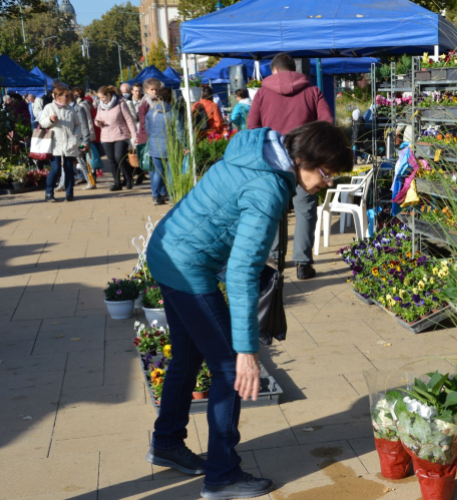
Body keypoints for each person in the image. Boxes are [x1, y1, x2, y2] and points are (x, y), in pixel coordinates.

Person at [145, 121, 352, 500]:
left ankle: (167, 442)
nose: (328, 183)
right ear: (304, 158)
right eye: (327, 172)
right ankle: (222, 475)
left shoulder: (257, 152)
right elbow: (241, 271)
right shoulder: (268, 188)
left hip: (168, 250)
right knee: (229, 370)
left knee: (188, 356)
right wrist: (246, 351)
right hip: (187, 267)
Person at [247, 52, 334, 280]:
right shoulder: (312, 90)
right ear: (294, 69)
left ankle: (276, 259)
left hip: (273, 161)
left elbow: (252, 126)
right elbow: (328, 122)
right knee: (306, 210)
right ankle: (303, 264)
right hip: (304, 159)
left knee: (275, 210)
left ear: (274, 70)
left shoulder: (262, 93)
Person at [39, 87, 87, 202]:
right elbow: (42, 123)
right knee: (55, 168)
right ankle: (49, 193)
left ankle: (69, 194)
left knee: (69, 168)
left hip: (69, 143)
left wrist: (75, 136)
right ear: (58, 96)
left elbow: (78, 124)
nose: (69, 98)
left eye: (69, 96)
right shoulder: (49, 107)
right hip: (55, 143)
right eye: (66, 96)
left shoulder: (71, 109)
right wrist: (50, 119)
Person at [95, 85, 137, 191]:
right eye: (100, 98)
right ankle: (117, 183)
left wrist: (135, 135)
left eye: (102, 97)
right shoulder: (100, 106)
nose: (101, 100)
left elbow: (129, 120)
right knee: (111, 160)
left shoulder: (121, 103)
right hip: (105, 136)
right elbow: (96, 119)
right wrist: (98, 123)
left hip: (121, 134)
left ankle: (128, 177)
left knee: (119, 157)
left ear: (108, 95)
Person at [145, 87, 182, 205]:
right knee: (171, 172)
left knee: (157, 172)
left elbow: (148, 130)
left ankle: (156, 196)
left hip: (155, 145)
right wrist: (185, 145)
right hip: (170, 146)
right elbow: (180, 132)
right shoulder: (174, 112)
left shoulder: (151, 113)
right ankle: (171, 197)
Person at [137, 78, 164, 179]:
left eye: (156, 89)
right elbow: (143, 122)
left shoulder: (159, 99)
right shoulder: (145, 102)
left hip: (159, 135)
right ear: (146, 89)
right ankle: (156, 189)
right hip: (149, 135)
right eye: (152, 89)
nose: (155, 92)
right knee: (153, 164)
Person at [73, 87, 97, 190]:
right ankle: (90, 181)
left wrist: (87, 139)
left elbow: (86, 124)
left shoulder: (80, 107)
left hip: (82, 138)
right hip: (79, 138)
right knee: (83, 161)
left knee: (85, 162)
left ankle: (91, 181)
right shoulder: (79, 106)